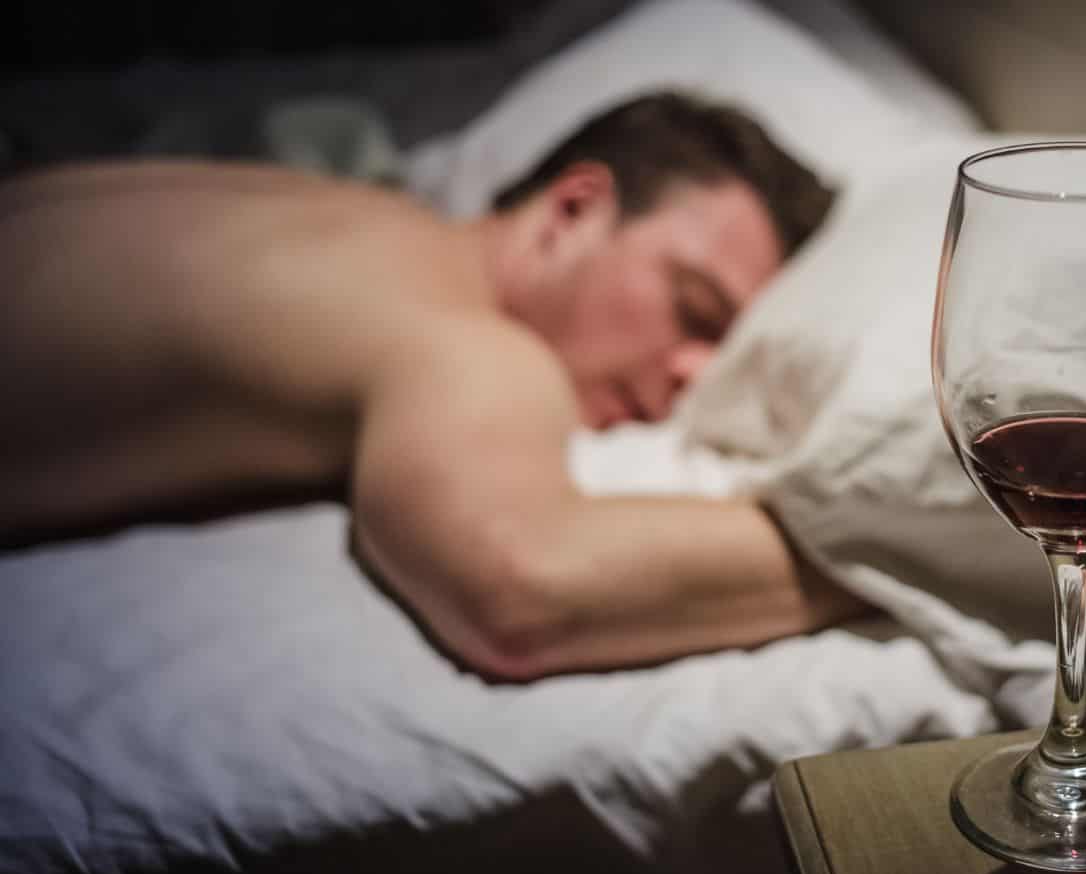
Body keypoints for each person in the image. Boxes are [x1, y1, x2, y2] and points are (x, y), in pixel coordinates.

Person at [0, 92, 868, 681]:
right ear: (572, 210)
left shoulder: (367, 223)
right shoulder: (466, 339)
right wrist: (881, 553)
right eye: (692, 308)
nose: (693, 373)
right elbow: (523, 588)